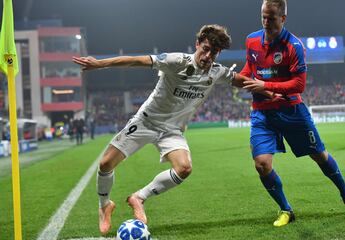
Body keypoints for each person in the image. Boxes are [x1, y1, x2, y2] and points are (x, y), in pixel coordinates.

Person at [73, 24, 259, 235]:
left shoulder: (216, 72)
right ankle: (104, 205)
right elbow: (135, 60)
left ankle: (139, 197)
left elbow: (240, 81)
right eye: (205, 48)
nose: (208, 56)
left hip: (172, 130)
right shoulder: (177, 61)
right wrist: (99, 64)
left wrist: (268, 89)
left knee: (184, 168)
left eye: (214, 52)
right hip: (146, 122)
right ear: (197, 44)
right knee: (106, 163)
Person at [239, 0, 345, 227]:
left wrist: (265, 86)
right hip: (262, 114)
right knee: (261, 164)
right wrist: (232, 77)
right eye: (263, 17)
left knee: (319, 155)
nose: (266, 22)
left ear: (283, 18)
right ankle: (286, 209)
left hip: (292, 111)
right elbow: (248, 70)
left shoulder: (294, 46)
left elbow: (298, 85)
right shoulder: (252, 40)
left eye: (271, 18)